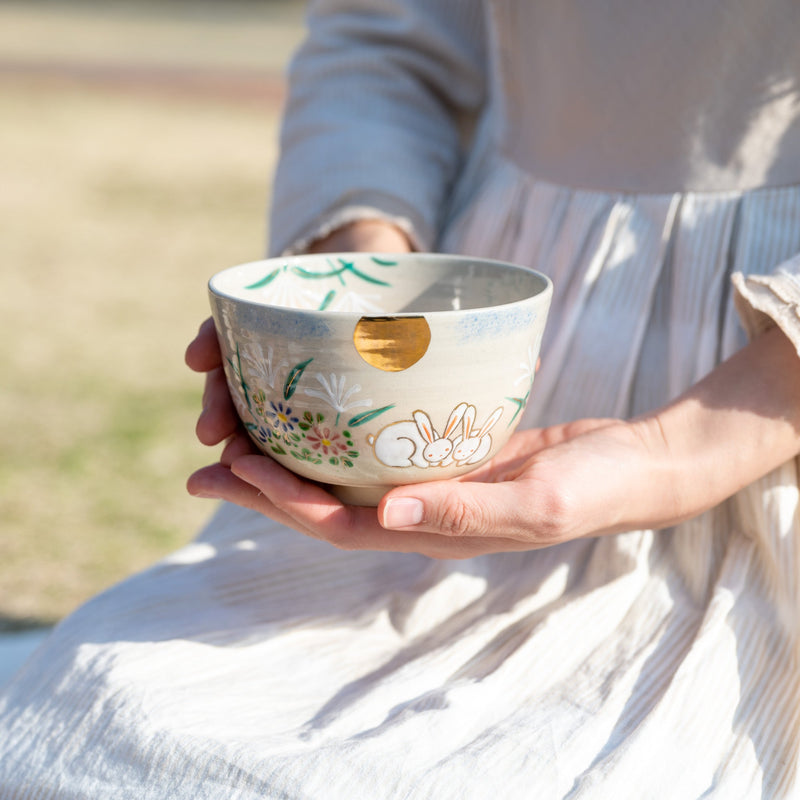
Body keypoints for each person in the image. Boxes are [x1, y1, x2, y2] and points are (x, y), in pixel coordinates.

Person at [2, 1, 800, 797]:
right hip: (473, 316)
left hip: (767, 420)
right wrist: (356, 293)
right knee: (101, 716)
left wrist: (676, 453)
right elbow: (380, 42)